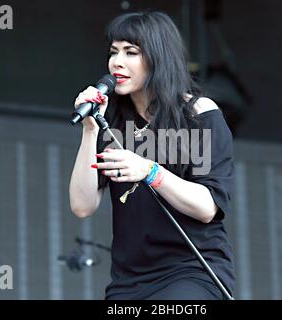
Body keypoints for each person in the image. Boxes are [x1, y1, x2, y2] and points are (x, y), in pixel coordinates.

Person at [69, 11, 236, 300]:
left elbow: (208, 206)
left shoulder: (198, 114)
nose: (116, 62)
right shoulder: (111, 123)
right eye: (114, 52)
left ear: (158, 57)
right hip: (128, 282)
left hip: (192, 271)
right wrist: (89, 130)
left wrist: (150, 171)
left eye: (130, 52)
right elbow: (82, 206)